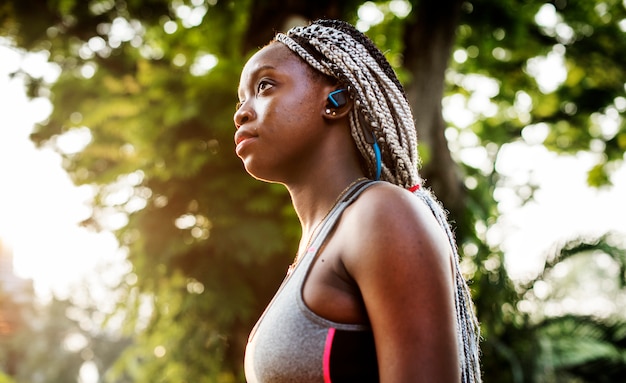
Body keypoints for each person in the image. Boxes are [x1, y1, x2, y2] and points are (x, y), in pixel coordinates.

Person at [233, 19, 481, 383]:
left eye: (265, 86)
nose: (241, 112)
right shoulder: (317, 245)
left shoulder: (380, 212)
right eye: (241, 100)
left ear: (338, 100)